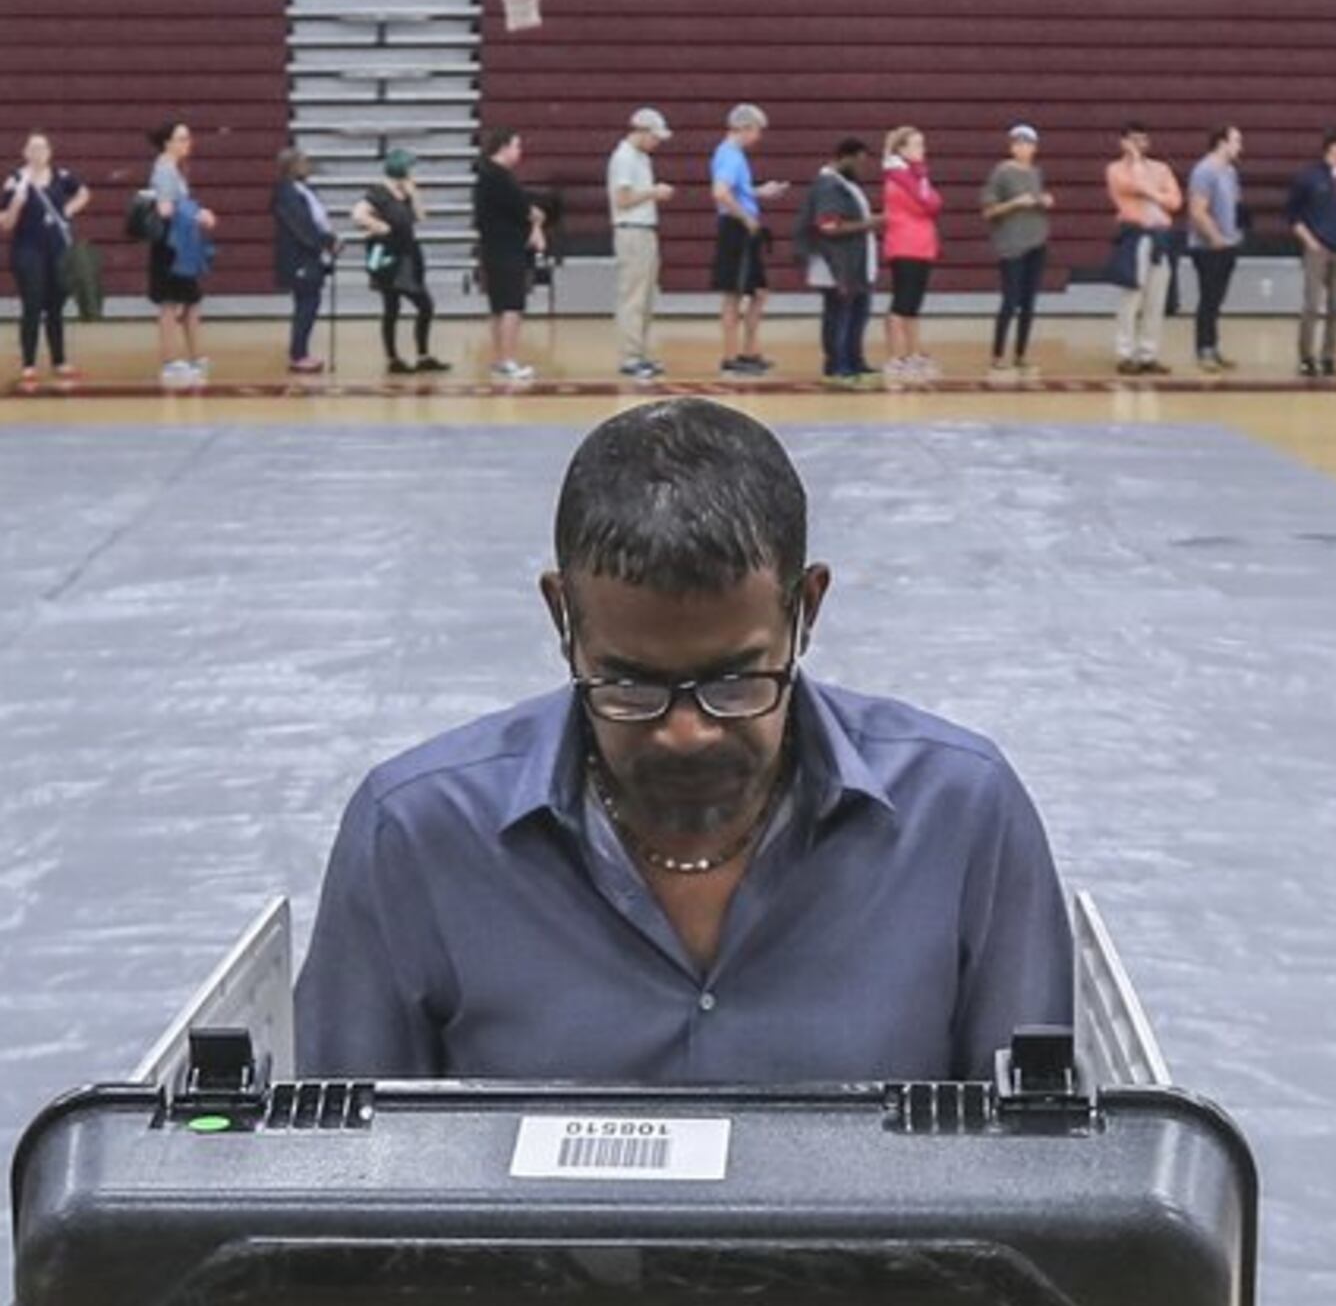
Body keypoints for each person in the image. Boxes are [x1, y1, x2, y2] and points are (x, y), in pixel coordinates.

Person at [296, 398, 1071, 1084]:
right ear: (561, 616)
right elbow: (339, 1178)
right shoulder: (417, 834)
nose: (686, 732)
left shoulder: (963, 816)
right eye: (629, 686)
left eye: (735, 683)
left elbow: (1037, 1163)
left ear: (809, 606)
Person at [6, 134, 89, 389]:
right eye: (33, 147)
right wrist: (16, 206)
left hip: (58, 251)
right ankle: (28, 365)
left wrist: (68, 210)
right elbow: (6, 223)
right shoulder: (16, 181)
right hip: (28, 250)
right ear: (25, 152)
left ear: (50, 151)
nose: (38, 152)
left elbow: (84, 192)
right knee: (32, 305)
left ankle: (60, 361)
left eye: (43, 147)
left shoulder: (62, 176)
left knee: (55, 307)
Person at [709, 104, 785, 378]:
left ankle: (749, 351)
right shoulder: (729, 155)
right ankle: (730, 357)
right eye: (756, 131)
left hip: (741, 229)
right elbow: (721, 193)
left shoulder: (734, 156)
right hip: (736, 229)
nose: (758, 137)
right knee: (734, 294)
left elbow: (735, 190)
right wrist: (746, 217)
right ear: (743, 127)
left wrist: (758, 192)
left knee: (758, 292)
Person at [353, 147, 442, 377]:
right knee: (402, 305)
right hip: (385, 255)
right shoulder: (379, 192)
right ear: (401, 169)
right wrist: (379, 226)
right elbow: (358, 214)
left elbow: (421, 217)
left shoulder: (406, 192)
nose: (413, 172)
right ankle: (393, 358)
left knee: (416, 306)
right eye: (410, 167)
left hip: (407, 253)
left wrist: (414, 193)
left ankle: (422, 356)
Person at [1283, 127, 1336, 379]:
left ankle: (1329, 356)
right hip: (1317, 246)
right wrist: (1309, 240)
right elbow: (1292, 214)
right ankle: (1307, 356)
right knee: (1312, 304)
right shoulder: (1309, 177)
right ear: (1333, 147)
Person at [142, 120, 215, 384]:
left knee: (191, 300)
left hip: (182, 244)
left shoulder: (174, 169)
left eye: (188, 138)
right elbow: (165, 209)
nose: (188, 143)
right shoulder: (164, 170)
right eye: (182, 138)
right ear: (168, 143)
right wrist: (197, 213)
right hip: (170, 246)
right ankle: (170, 361)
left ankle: (196, 357)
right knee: (170, 303)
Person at [1106, 123, 1182, 377]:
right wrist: (1145, 177)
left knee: (1156, 298)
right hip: (1135, 235)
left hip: (1160, 236)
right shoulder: (1115, 169)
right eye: (1134, 140)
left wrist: (1154, 196)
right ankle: (1125, 353)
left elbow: (1175, 201)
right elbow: (1132, 187)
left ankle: (1148, 354)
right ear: (1124, 142)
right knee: (1131, 297)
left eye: (1144, 140)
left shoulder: (1161, 168)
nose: (1140, 145)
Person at [606, 107, 675, 381]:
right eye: (655, 137)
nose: (657, 143)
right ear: (642, 131)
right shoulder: (624, 158)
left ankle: (640, 351)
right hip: (631, 230)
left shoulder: (641, 158)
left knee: (645, 296)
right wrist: (653, 193)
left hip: (645, 230)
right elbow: (622, 199)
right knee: (633, 296)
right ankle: (630, 356)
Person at [800, 136, 875, 383]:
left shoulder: (845, 184)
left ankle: (854, 360)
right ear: (845, 158)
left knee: (857, 313)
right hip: (834, 263)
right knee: (839, 314)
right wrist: (871, 223)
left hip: (853, 263)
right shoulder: (828, 186)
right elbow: (828, 225)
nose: (862, 168)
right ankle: (837, 364)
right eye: (859, 162)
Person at [474, 125, 543, 384]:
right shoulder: (500, 177)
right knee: (512, 306)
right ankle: (508, 360)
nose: (519, 151)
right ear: (503, 147)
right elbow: (525, 210)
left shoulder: (486, 175)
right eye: (516, 146)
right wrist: (535, 222)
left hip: (493, 248)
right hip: (507, 249)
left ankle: (500, 359)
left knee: (498, 307)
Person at [983, 124, 1053, 374]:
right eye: (1018, 143)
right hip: (1012, 245)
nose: (1023, 148)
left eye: (1028, 144)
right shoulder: (1001, 173)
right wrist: (1014, 203)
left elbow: (1038, 196)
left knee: (1029, 302)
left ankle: (1021, 353)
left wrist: (1044, 200)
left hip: (1036, 241)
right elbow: (989, 210)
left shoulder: (1036, 173)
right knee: (1010, 301)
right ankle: (998, 353)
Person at [878, 125, 941, 379]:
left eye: (922, 144)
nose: (921, 150)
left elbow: (935, 203)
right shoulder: (898, 177)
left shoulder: (917, 176)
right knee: (901, 304)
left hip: (922, 246)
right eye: (915, 145)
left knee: (913, 305)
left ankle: (913, 354)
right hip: (905, 245)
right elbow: (927, 203)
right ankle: (895, 357)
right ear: (901, 150)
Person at [1181, 125, 1245, 373]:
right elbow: (1197, 210)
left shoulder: (1230, 171)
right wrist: (1215, 236)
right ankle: (1203, 350)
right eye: (1236, 141)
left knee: (1217, 300)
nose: (1240, 146)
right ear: (1221, 143)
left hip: (1228, 243)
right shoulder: (1204, 171)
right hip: (1207, 247)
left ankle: (1213, 347)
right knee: (1208, 298)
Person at [270, 146, 335, 377]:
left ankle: (301, 351)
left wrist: (329, 239)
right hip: (298, 257)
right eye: (304, 162)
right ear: (293, 167)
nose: (308, 166)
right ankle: (298, 355)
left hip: (309, 256)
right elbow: (302, 228)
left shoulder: (304, 190)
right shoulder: (286, 194)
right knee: (306, 304)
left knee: (309, 303)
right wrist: (326, 242)